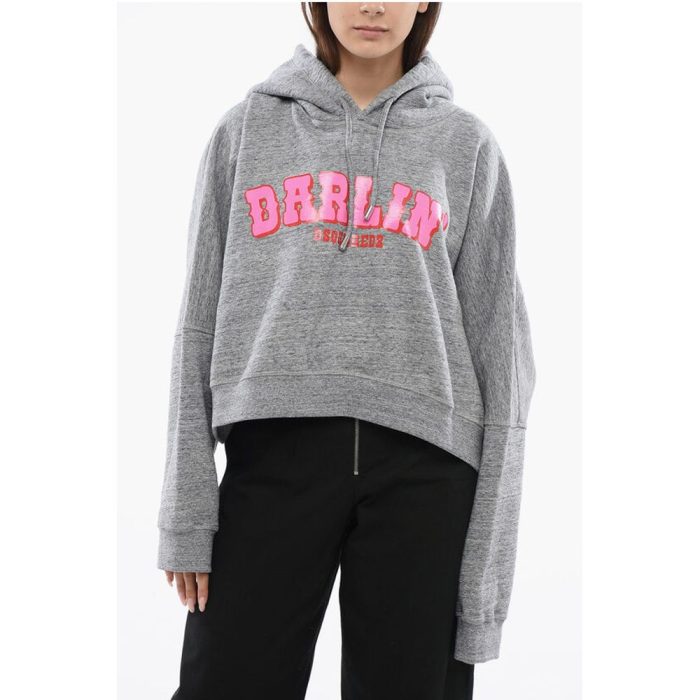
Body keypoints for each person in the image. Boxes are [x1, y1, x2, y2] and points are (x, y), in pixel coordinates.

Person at [156, 2, 536, 698]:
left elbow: (503, 362)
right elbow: (197, 327)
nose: (372, 6)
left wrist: (486, 584)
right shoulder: (246, 131)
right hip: (273, 457)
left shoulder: (467, 146)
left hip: (426, 473)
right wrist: (186, 512)